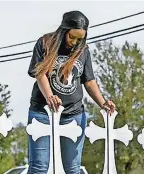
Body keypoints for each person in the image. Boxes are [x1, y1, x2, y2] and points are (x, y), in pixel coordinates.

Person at [27, 10, 115, 174]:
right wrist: (50, 96)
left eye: (79, 39)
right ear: (64, 30)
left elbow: (89, 81)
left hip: (73, 115)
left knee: (73, 169)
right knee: (39, 167)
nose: (74, 42)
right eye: (71, 37)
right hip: (42, 112)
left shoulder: (83, 51)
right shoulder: (45, 43)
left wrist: (102, 102)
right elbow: (40, 74)